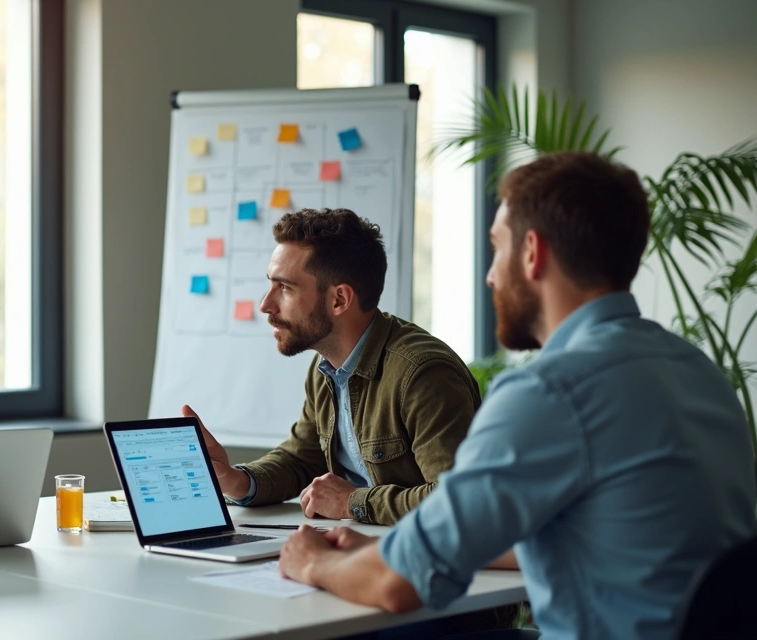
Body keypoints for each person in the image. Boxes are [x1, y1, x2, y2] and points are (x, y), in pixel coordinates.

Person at [277, 152, 757, 639]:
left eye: (496, 248)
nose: (489, 275)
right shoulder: (697, 372)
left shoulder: (550, 393)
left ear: (533, 252)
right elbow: (594, 539)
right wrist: (386, 546)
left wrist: (311, 562)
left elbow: (398, 584)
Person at [188, 208, 481, 527]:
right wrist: (232, 479)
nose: (265, 305)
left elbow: (459, 501)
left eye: (285, 288)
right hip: (361, 546)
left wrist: (351, 502)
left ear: (340, 300)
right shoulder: (325, 367)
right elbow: (301, 459)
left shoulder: (422, 374)